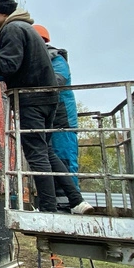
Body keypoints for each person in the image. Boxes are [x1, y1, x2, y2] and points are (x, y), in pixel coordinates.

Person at [0, 0, 92, 214]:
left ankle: (48, 210)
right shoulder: (24, 28)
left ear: (3, 12)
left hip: (31, 101)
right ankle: (77, 201)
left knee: (36, 154)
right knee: (46, 151)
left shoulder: (12, 29)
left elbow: (8, 66)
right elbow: (17, 68)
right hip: (47, 100)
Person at [33, 24, 80, 190]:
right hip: (46, 118)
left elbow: (56, 81)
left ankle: (69, 199)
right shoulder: (35, 61)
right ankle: (55, 199)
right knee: (46, 159)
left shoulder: (57, 60)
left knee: (64, 158)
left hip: (62, 120)